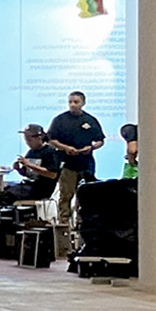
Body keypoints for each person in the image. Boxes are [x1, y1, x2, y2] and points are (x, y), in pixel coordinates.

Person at [46, 91, 109, 229]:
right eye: (70, 102)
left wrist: (91, 147)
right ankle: (64, 224)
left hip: (86, 163)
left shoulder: (90, 120)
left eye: (76, 102)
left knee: (87, 196)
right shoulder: (60, 120)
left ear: (83, 103)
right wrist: (65, 148)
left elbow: (100, 140)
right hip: (68, 163)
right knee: (65, 195)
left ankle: (83, 224)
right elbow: (51, 140)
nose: (73, 105)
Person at [0, 124, 63, 205]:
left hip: (42, 188)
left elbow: (52, 174)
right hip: (29, 185)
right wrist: (19, 169)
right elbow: (28, 173)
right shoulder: (31, 152)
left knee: (8, 196)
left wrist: (30, 165)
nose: (27, 143)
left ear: (39, 138)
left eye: (29, 140)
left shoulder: (50, 152)